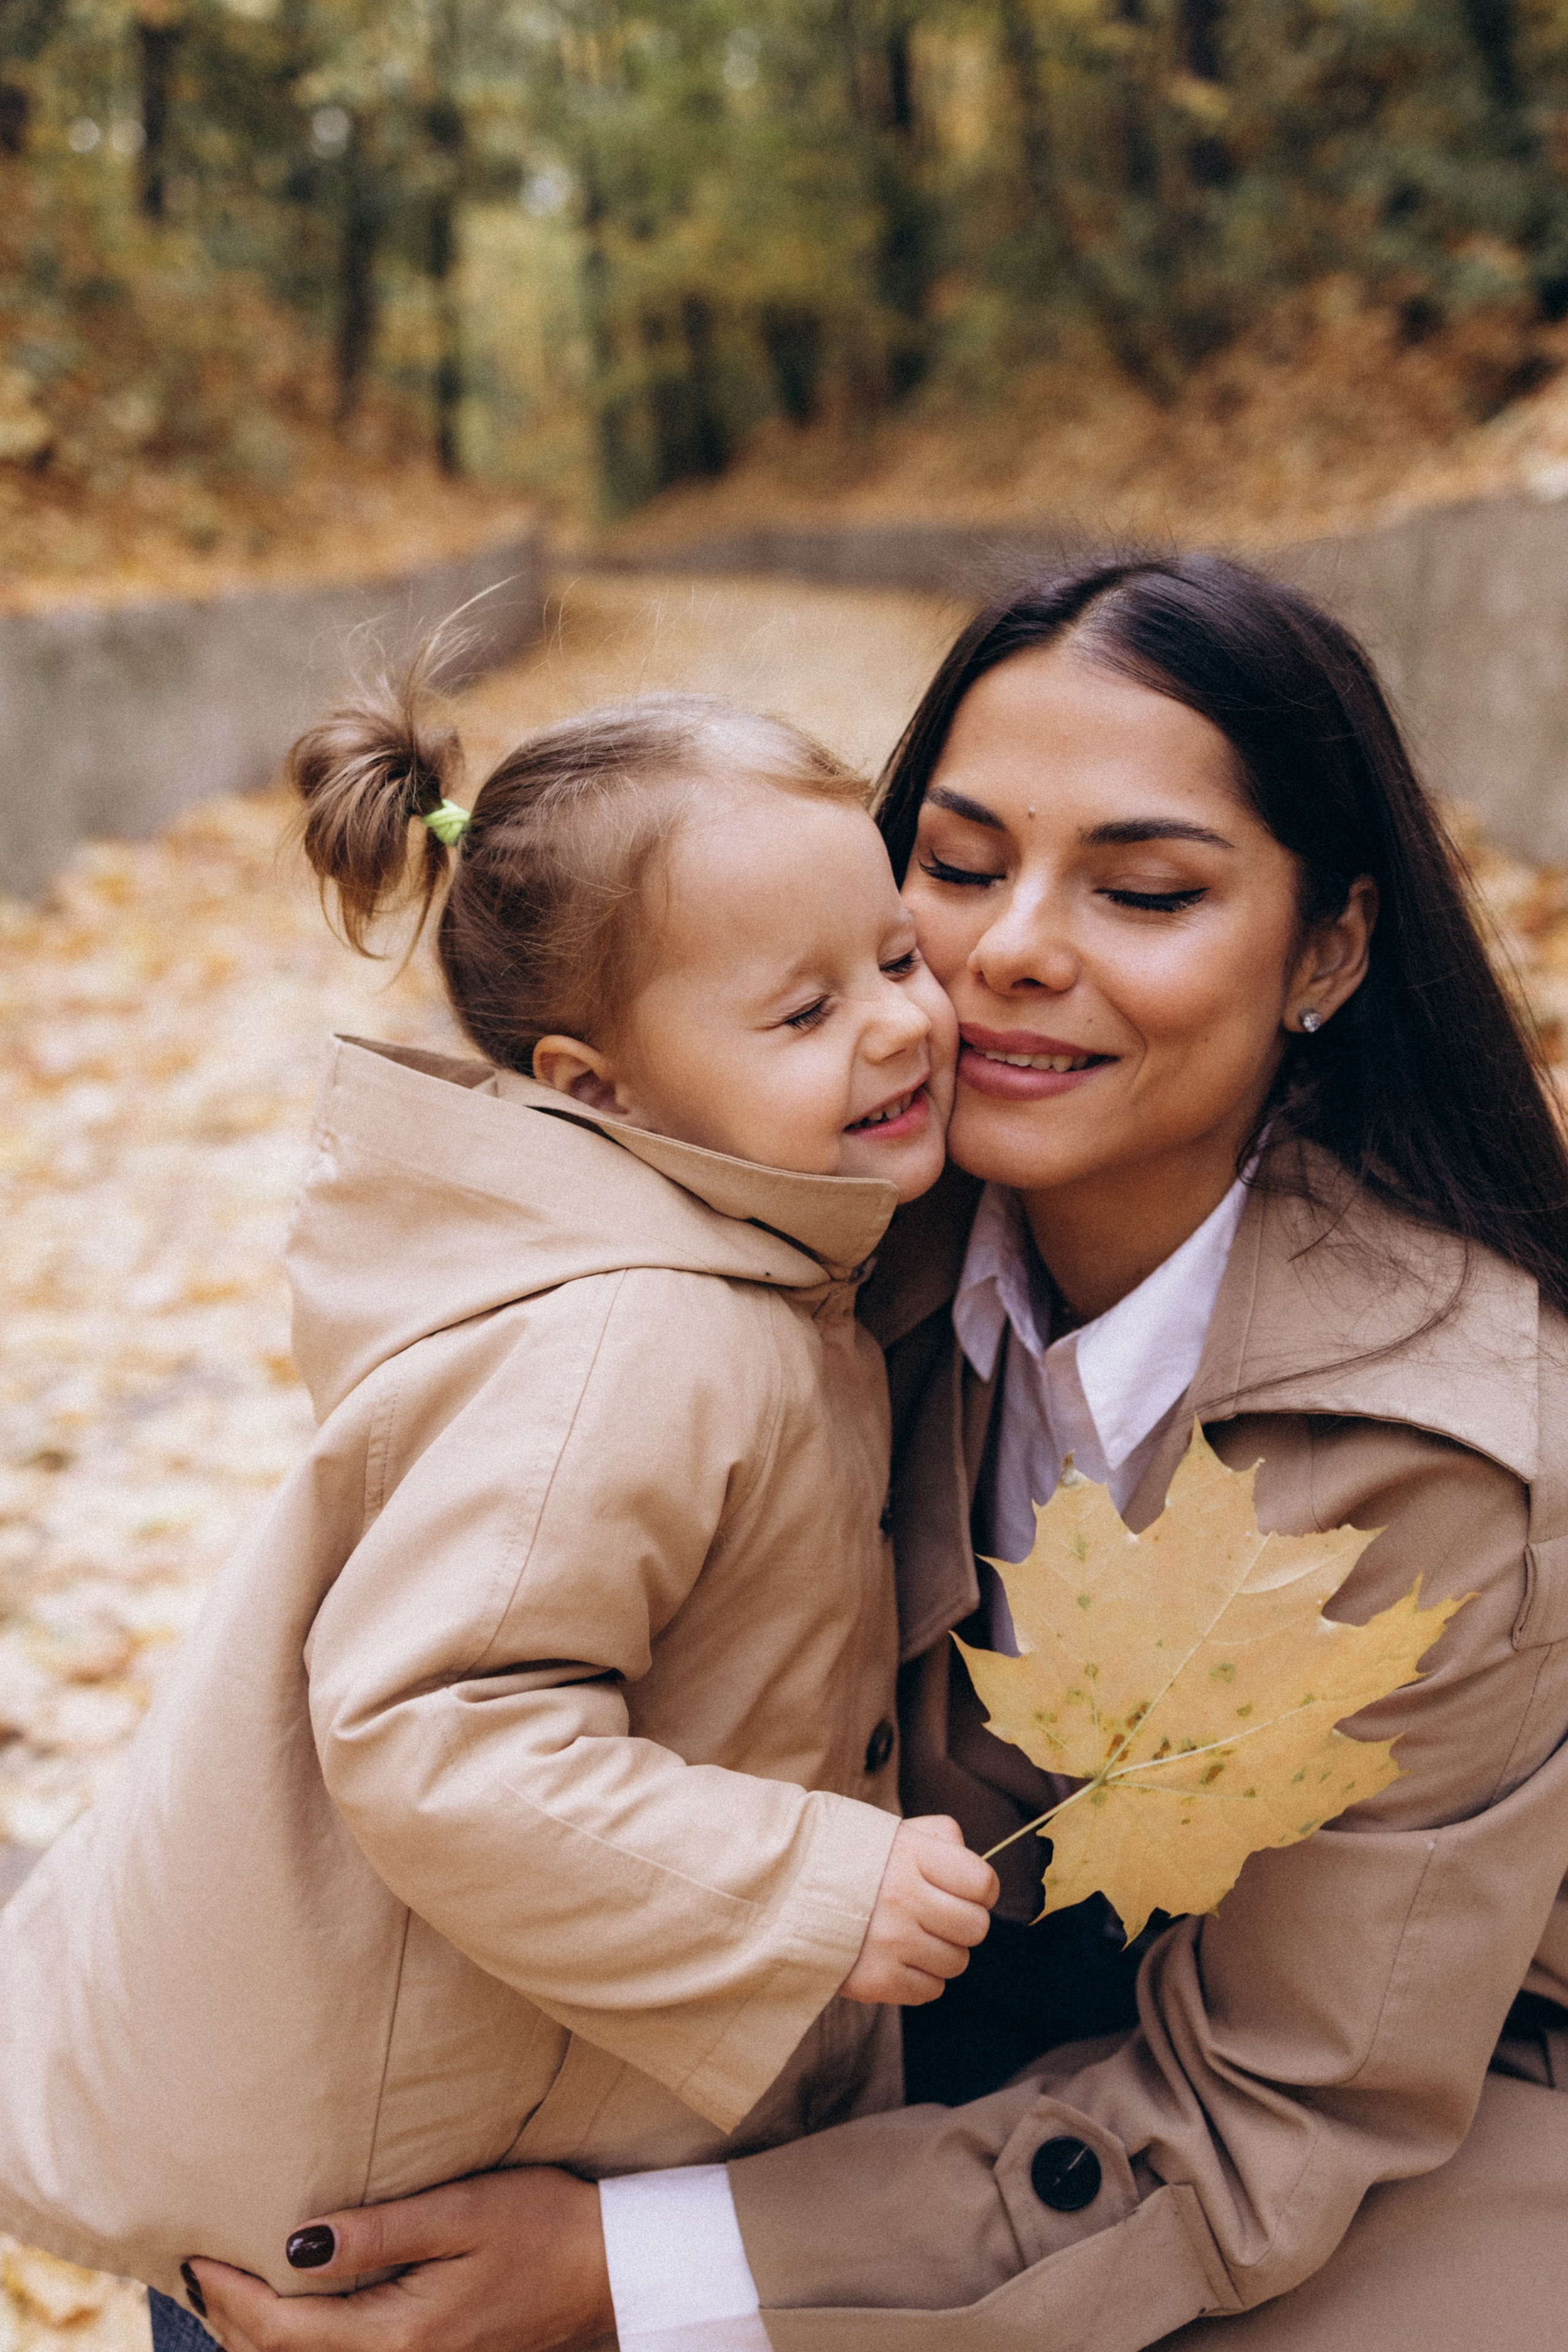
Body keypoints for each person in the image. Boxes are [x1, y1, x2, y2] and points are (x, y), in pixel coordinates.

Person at [189, 552, 1568, 2352]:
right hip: (908, 2044)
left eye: (1144, 890)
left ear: (1330, 947)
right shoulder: (834, 1241)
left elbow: (1267, 2123)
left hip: (1356, 2163)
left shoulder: (1438, 1457)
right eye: (961, 868)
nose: (1005, 953)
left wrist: (620, 2270)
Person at [0, 685, 1003, 2342]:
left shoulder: (752, 1274)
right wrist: (813, 1892)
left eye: (896, 960)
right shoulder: (647, 1335)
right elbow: (434, 1728)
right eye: (802, 1011)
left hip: (488, 2119)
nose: (898, 1027)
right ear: (592, 1088)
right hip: (383, 2202)